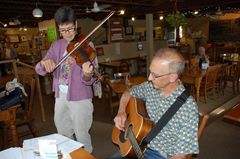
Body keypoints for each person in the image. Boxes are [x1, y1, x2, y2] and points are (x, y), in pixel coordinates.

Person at [110, 48, 199, 159]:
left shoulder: (188, 109)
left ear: (173, 77)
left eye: (155, 75)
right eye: (150, 72)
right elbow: (128, 92)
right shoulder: (150, 87)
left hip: (160, 154)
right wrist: (121, 111)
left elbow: (179, 156)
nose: (149, 78)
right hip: (138, 142)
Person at [35, 6, 99, 153]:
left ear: (75, 24)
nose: (67, 34)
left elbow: (90, 81)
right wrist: (44, 64)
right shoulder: (55, 46)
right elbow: (39, 69)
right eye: (62, 30)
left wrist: (88, 74)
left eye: (70, 28)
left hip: (81, 96)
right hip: (61, 97)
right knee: (63, 135)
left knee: (82, 135)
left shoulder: (87, 45)